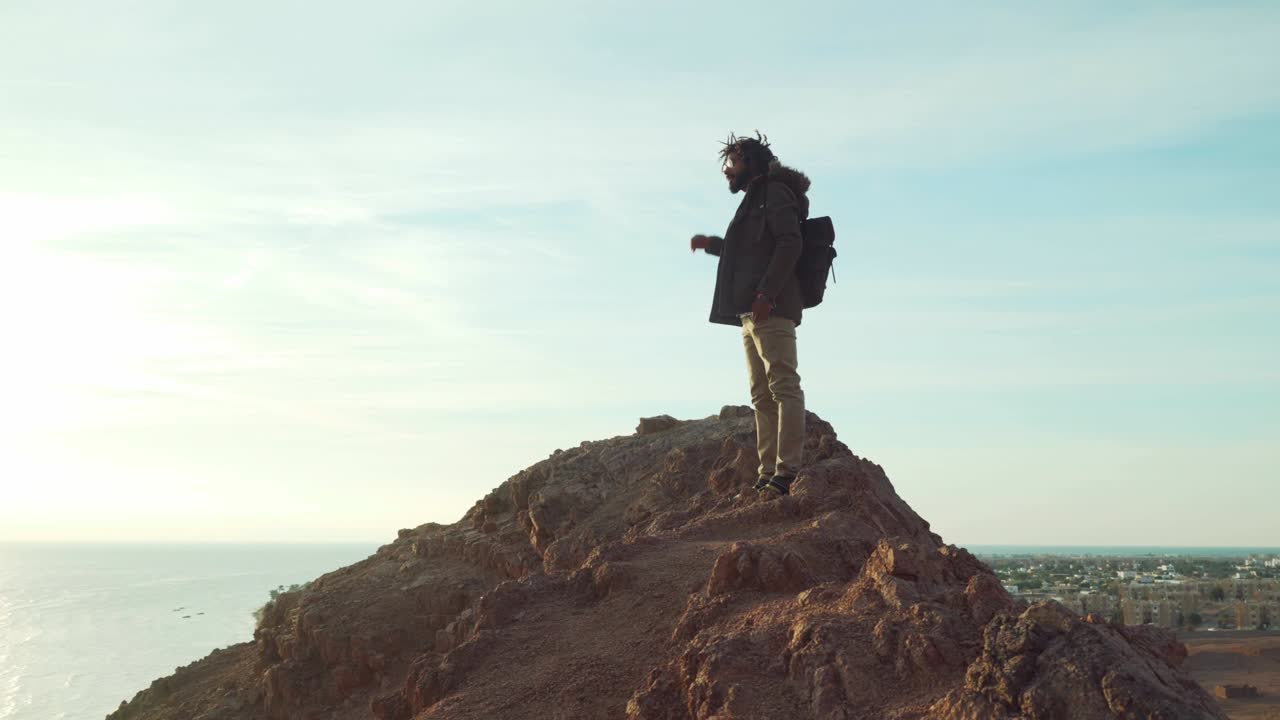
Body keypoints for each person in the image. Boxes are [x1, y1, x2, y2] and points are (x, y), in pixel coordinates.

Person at [690, 131, 812, 497]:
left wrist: (766, 293)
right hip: (751, 312)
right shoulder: (754, 200)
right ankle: (767, 470)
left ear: (750, 163)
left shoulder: (774, 194)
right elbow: (749, 254)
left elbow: (791, 242)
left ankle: (786, 471)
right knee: (761, 393)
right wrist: (713, 246)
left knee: (783, 386)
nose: (728, 171)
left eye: (733, 162)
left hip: (769, 308)